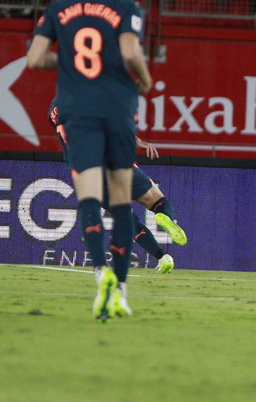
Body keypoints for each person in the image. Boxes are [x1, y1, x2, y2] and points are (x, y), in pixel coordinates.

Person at [24, 0, 155, 320]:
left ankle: (100, 278)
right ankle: (122, 290)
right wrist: (144, 80)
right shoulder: (126, 6)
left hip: (77, 111)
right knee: (120, 202)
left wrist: (71, 65)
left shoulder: (61, 6)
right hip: (117, 109)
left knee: (88, 201)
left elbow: (34, 59)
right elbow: (130, 52)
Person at [46, 100, 186, 274]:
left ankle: (162, 257)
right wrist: (141, 143)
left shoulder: (57, 107)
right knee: (157, 199)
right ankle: (162, 216)